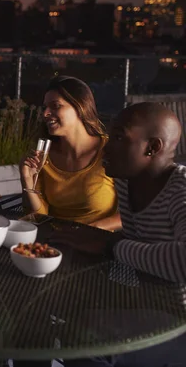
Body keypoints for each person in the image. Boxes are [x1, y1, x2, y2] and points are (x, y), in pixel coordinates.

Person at [63, 102, 186, 366]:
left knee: (81, 342)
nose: (106, 147)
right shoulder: (127, 182)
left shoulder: (181, 190)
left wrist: (111, 246)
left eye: (119, 137)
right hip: (150, 308)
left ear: (152, 147)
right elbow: (138, 255)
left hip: (180, 326)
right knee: (64, 324)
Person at [21, 75, 120, 231]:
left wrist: (90, 229)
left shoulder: (112, 150)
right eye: (45, 107)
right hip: (54, 242)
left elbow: (133, 213)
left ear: (81, 107)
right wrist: (27, 181)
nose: (45, 113)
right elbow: (39, 217)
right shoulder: (42, 157)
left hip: (97, 244)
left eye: (55, 106)